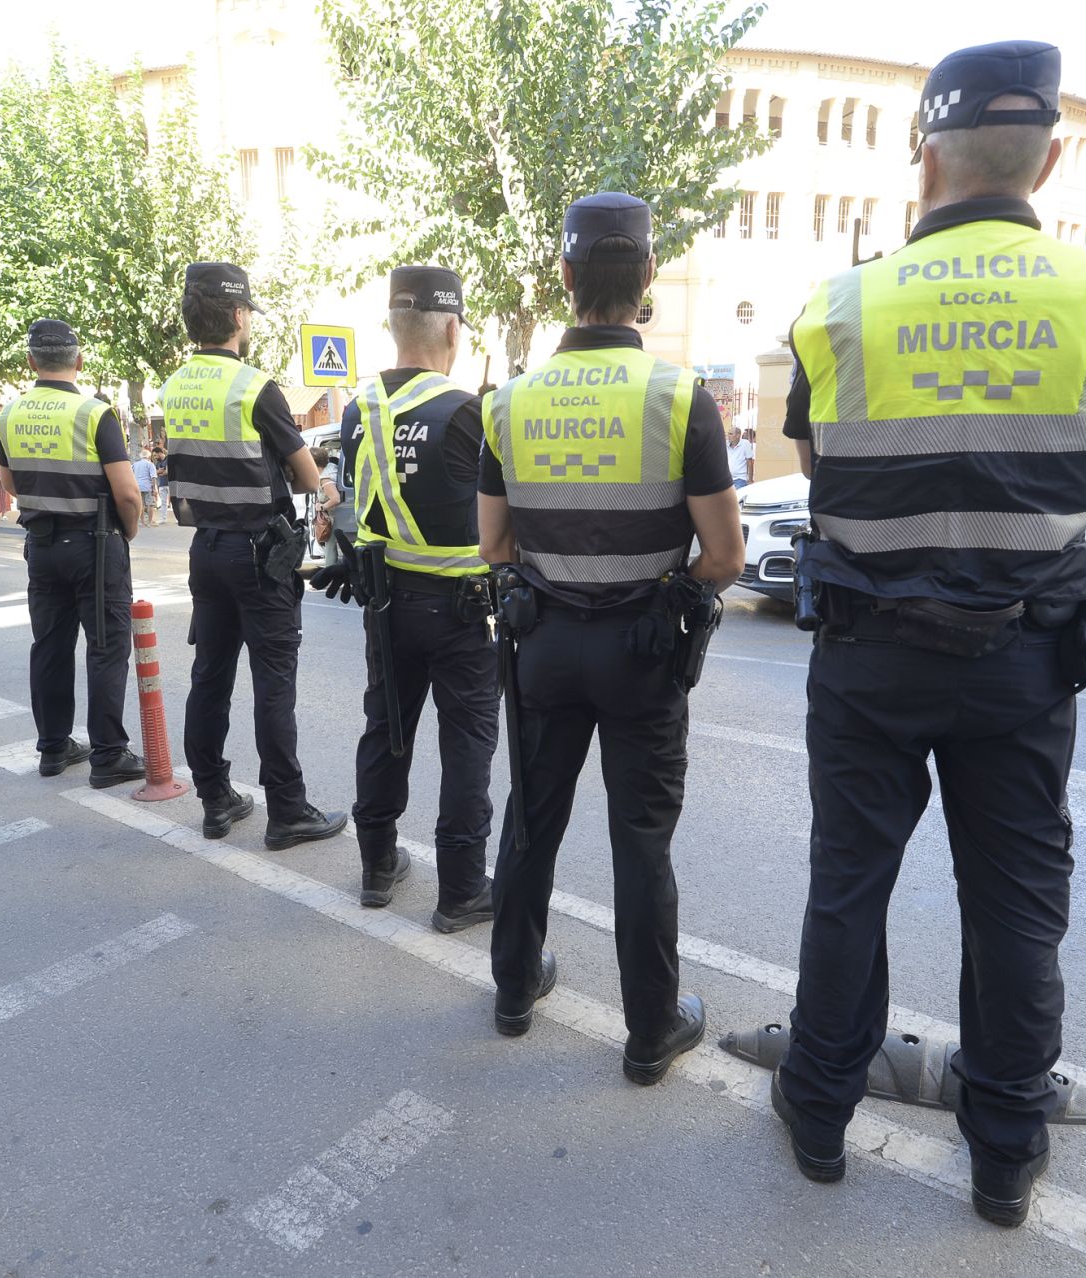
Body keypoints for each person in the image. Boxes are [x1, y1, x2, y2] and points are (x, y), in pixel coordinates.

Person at [760, 42, 1086, 1224]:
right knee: (1016, 910)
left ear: (923, 158)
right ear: (1053, 153)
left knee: (850, 889)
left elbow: (824, 472)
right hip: (1028, 660)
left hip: (869, 658)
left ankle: (822, 1114)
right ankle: (1002, 1155)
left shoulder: (836, 308)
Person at [479, 193, 745, 1083]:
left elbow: (495, 547)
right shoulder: (681, 399)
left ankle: (514, 989)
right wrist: (658, 584)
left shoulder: (508, 403)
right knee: (641, 842)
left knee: (532, 821)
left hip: (545, 646)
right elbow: (726, 556)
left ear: (563, 277)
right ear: (647, 281)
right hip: (641, 653)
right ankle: (649, 1031)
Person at [310, 265, 497, 932]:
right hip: (462, 611)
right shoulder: (468, 410)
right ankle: (462, 890)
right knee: (467, 743)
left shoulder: (362, 409)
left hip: (387, 605)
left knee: (386, 730)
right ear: (452, 328)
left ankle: (376, 868)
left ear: (393, 327)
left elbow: (355, 507)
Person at [161, 262, 347, 849]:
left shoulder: (174, 386)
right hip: (259, 556)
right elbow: (303, 466)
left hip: (206, 550)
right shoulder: (253, 386)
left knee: (209, 677)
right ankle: (287, 811)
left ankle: (215, 799)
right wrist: (326, 491)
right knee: (273, 684)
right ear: (239, 316)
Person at [0, 320, 148, 788]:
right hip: (94, 545)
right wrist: (130, 532)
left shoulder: (8, 415)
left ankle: (54, 747)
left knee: (50, 647)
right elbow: (127, 493)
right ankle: (107, 755)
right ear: (78, 361)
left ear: (30, 362)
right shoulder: (94, 413)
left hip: (41, 545)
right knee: (106, 647)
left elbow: (9, 481)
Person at [132, 449, 159, 527]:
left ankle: (142, 522)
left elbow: (131, 474)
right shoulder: (150, 464)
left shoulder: (135, 464)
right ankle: (149, 522)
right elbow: (153, 477)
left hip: (137, 486)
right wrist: (154, 488)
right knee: (150, 504)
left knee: (141, 505)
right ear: (148, 456)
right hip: (147, 487)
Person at [726, 420, 754, 489]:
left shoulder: (745, 444)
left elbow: (750, 462)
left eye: (730, 434)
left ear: (738, 435)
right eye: (728, 434)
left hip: (740, 479)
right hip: (726, 479)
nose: (728, 436)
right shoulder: (725, 444)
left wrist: (750, 480)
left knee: (737, 498)